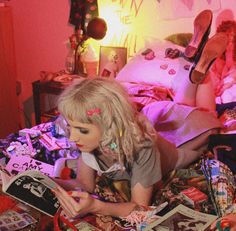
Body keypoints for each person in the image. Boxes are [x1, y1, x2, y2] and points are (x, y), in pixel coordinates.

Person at [52, 10, 228, 219]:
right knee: (179, 107)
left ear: (108, 125)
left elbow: (141, 209)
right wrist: (49, 183)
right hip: (153, 119)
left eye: (81, 130)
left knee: (206, 119)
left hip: (176, 146)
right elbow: (84, 184)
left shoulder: (142, 149)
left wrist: (96, 207)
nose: (72, 137)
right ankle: (197, 66)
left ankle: (201, 71)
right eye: (71, 127)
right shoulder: (88, 140)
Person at [209, 20, 236, 103]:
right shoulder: (218, 56)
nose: (229, 39)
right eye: (226, 36)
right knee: (222, 97)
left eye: (232, 36)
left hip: (232, 83)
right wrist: (219, 85)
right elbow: (214, 75)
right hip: (223, 87)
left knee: (227, 95)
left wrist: (229, 83)